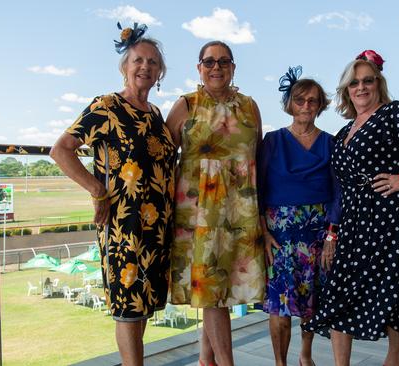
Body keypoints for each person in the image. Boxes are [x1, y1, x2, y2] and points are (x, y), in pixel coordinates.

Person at [302, 50, 399, 366]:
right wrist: (332, 234)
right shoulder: (345, 132)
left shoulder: (394, 113)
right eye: (354, 83)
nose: (361, 87)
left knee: (394, 290)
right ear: (347, 90)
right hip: (353, 222)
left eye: (367, 81)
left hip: (389, 217)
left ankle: (393, 361)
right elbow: (340, 189)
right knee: (339, 291)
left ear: (379, 84)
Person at [50, 23, 176, 366]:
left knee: (144, 304)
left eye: (152, 62)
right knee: (127, 305)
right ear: (125, 66)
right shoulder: (107, 106)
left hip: (157, 226)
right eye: (138, 60)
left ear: (160, 72)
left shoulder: (156, 115)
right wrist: (97, 190)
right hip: (124, 224)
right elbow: (61, 149)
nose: (145, 67)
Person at [166, 40, 266, 366]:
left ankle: (205, 360)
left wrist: (261, 210)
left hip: (241, 208)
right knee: (213, 292)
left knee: (222, 290)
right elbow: (163, 157)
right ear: (199, 68)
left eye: (224, 61)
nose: (216, 67)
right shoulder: (186, 105)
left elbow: (259, 159)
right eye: (209, 62)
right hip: (199, 212)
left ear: (234, 67)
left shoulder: (250, 106)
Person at [257, 66, 340, 366]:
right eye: (300, 100)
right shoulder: (273, 140)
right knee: (279, 308)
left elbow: (337, 192)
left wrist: (332, 234)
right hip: (278, 235)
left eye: (313, 101)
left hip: (317, 234)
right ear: (290, 104)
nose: (306, 106)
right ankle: (281, 363)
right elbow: (258, 188)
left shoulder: (331, 143)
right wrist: (263, 233)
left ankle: (305, 356)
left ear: (320, 106)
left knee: (311, 303)